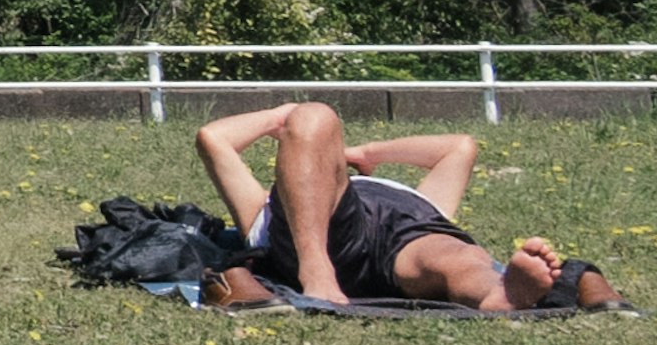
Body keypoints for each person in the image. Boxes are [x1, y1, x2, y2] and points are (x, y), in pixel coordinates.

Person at [194, 101, 617, 310]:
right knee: (315, 116)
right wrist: (291, 120)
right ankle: (316, 271)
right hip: (327, 235)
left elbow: (459, 147)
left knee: (451, 255)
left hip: (409, 229)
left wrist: (364, 153)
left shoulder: (411, 195)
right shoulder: (263, 208)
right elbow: (212, 137)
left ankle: (497, 295)